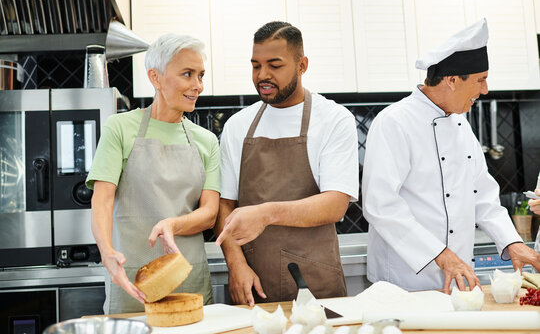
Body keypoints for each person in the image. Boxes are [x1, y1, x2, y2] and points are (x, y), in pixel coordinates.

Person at [362, 18, 540, 294]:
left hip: (457, 280)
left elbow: (483, 196)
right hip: (404, 282)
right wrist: (442, 255)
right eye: (481, 80)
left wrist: (512, 242)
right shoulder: (394, 122)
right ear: (452, 80)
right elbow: (381, 205)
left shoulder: (460, 126)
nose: (485, 90)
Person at [214, 21, 359, 306]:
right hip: (254, 285)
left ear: (302, 65)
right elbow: (225, 205)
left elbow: (335, 204)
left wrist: (266, 214)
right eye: (256, 65)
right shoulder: (237, 125)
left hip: (315, 285)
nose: (262, 75)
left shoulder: (333, 120)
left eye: (275, 65)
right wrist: (235, 264)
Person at [86, 33, 220, 313]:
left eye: (201, 75)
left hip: (188, 276)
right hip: (134, 281)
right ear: (155, 78)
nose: (198, 85)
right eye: (187, 74)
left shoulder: (207, 140)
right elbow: (102, 199)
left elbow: (210, 213)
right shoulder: (119, 128)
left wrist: (172, 224)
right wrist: (107, 252)